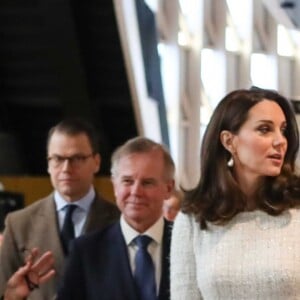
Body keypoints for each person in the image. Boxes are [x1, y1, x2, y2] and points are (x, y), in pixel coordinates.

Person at [170, 88, 300, 299]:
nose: (280, 141)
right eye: (265, 129)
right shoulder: (192, 219)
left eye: (283, 130)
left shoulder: (297, 212)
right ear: (229, 141)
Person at [0, 118, 120, 300]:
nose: (66, 168)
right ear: (48, 164)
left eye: (77, 159)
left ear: (96, 162)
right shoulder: (18, 224)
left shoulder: (120, 222)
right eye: (57, 159)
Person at [57, 136, 175, 300]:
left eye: (147, 183)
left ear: (169, 188)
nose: (136, 192)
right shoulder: (86, 252)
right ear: (115, 186)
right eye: (127, 181)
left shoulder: (189, 244)